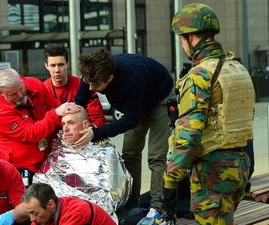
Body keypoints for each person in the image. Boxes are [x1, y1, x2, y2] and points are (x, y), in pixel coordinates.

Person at [162, 3, 255, 225]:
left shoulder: (199, 76)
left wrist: (170, 182)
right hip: (240, 167)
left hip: (213, 173)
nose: (183, 45)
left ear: (191, 37)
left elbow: (188, 138)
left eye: (182, 39)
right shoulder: (237, 69)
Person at [74, 50, 174, 210]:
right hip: (137, 99)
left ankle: (158, 209)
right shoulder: (92, 72)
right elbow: (80, 100)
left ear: (110, 78)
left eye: (96, 85)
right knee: (130, 153)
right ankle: (132, 205)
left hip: (160, 95)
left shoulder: (131, 78)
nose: (91, 88)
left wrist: (97, 133)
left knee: (156, 156)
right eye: (88, 83)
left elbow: (130, 120)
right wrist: (71, 115)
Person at [34, 106, 132, 221]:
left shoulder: (105, 153)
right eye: (63, 123)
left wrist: (75, 205)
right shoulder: (57, 153)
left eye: (70, 123)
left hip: (93, 217)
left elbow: (115, 195)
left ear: (85, 125)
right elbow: (40, 188)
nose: (65, 128)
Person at [0, 67, 80, 185]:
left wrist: (56, 137)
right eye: (13, 94)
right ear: (1, 92)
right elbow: (31, 133)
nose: (20, 94)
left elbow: (54, 107)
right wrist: (55, 114)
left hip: (46, 157)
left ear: (21, 79)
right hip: (20, 166)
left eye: (21, 88)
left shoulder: (34, 84)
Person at [43, 43, 106, 127]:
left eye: (61, 65)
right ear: (46, 66)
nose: (57, 70)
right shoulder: (42, 89)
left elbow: (97, 118)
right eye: (53, 65)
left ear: (67, 64)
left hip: (81, 136)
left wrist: (91, 134)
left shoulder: (83, 84)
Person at [22, 183, 117, 225]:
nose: (32, 219)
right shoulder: (51, 209)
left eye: (35, 213)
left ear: (50, 204)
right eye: (30, 213)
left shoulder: (74, 214)